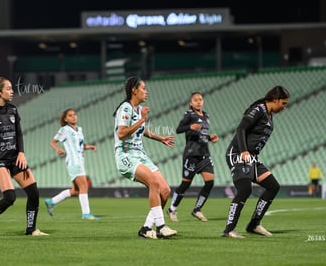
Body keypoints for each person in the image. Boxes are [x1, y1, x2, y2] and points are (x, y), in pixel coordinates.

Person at [0, 76, 48, 237]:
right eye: (8, 88)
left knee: (34, 192)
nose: (12, 91)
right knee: (10, 197)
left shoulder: (13, 109)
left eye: (11, 88)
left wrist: (21, 153)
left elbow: (19, 134)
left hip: (15, 158)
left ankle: (31, 229)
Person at [113, 76, 177, 239]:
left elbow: (143, 130)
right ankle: (161, 226)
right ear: (134, 90)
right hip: (126, 154)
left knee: (165, 190)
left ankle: (146, 228)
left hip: (140, 155)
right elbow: (121, 133)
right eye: (143, 88)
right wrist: (141, 119)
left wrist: (160, 138)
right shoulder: (126, 108)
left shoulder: (137, 108)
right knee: (153, 183)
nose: (146, 91)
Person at [222, 85, 290, 238]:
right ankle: (229, 230)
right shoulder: (259, 109)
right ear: (275, 100)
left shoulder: (269, 115)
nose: (284, 107)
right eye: (283, 103)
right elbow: (241, 129)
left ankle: (254, 224)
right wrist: (244, 150)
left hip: (251, 157)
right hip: (238, 153)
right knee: (245, 189)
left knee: (273, 186)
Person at [166, 92, 219, 222]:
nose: (198, 102)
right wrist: (190, 126)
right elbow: (178, 129)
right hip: (191, 155)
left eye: (200, 99)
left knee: (210, 183)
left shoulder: (206, 116)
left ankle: (197, 209)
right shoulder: (189, 115)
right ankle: (172, 209)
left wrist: (209, 137)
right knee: (185, 185)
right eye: (195, 100)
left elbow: (201, 135)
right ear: (191, 103)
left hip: (204, 155)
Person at [45, 108, 98, 220]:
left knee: (76, 190)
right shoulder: (64, 130)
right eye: (70, 115)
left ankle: (51, 201)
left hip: (80, 161)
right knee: (84, 186)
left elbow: (80, 145)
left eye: (74, 114)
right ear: (65, 119)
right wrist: (58, 149)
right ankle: (86, 213)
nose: (73, 116)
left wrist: (90, 147)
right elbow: (53, 142)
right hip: (74, 162)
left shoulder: (79, 130)